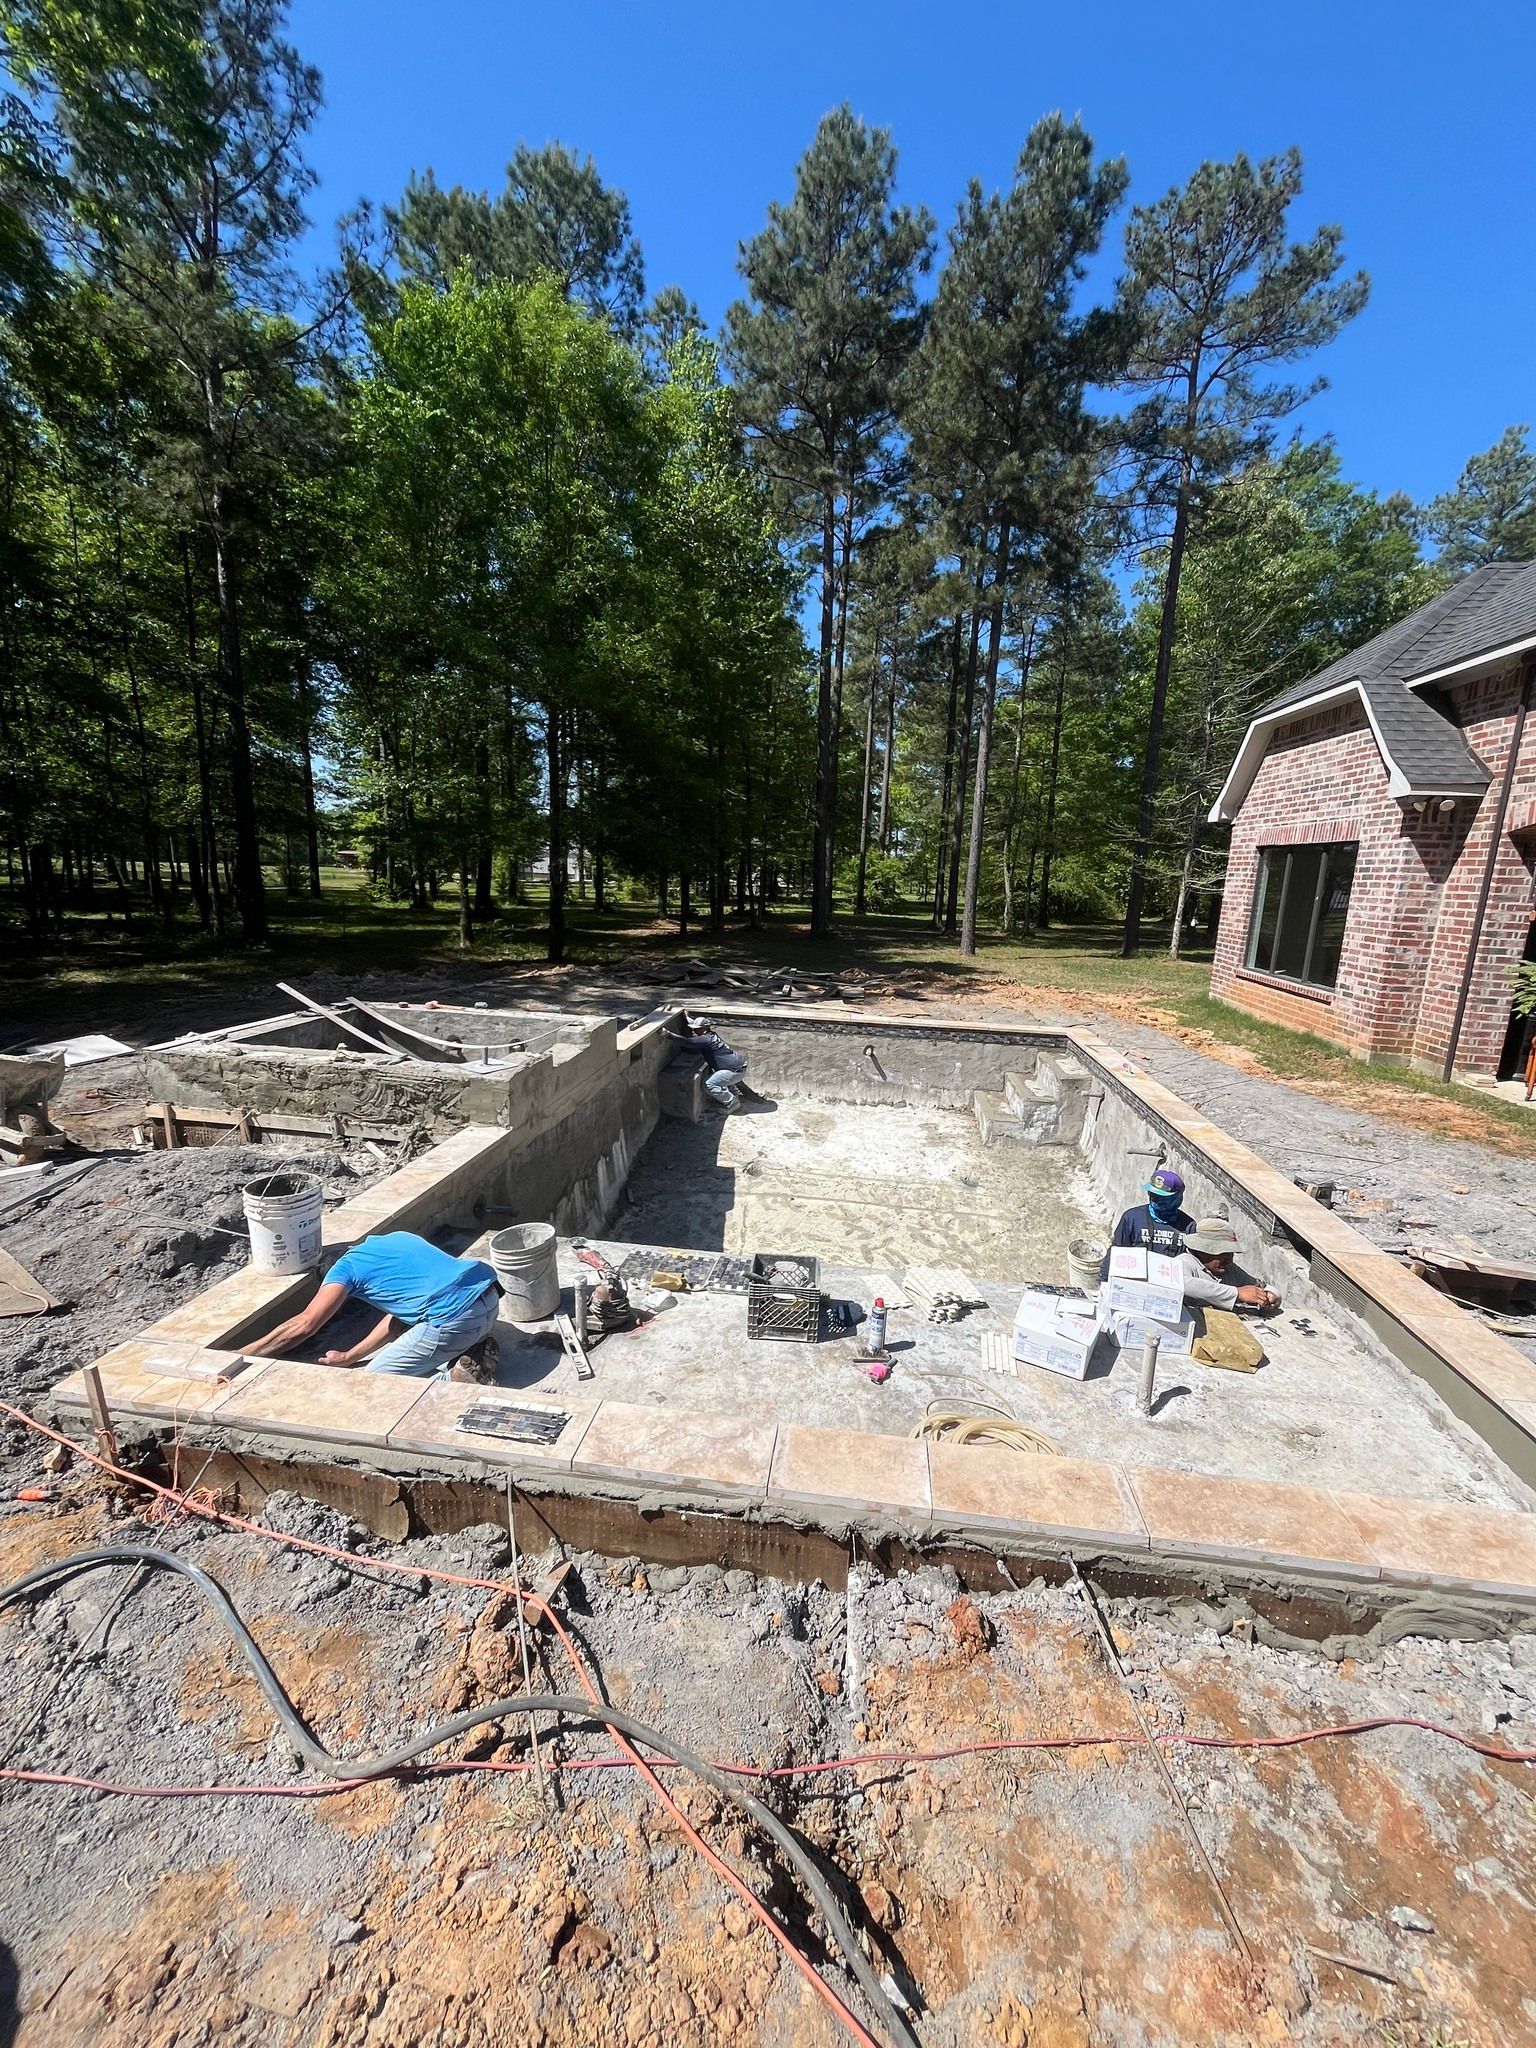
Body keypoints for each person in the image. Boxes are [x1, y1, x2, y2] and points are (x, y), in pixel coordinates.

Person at [245, 1230, 501, 1379]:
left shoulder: (345, 1269)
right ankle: (472, 1351)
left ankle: (455, 1379)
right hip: (488, 1297)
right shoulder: (394, 1238)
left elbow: (306, 1324)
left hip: (455, 1318)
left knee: (374, 1378)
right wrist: (350, 1356)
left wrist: (242, 1355)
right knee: (429, 1325)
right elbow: (399, 1319)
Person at [1101, 1167, 1192, 1277]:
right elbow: (1115, 1253)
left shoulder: (1188, 1227)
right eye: (1152, 1194)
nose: (1155, 1199)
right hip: (1134, 1281)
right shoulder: (1131, 1218)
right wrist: (1104, 1282)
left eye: (1161, 1197)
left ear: (1178, 1198)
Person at [1180, 1218, 1280, 1312]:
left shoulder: (1230, 1269)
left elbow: (1260, 1285)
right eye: (1222, 1253)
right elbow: (1185, 1284)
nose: (1228, 1259)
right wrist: (1236, 1293)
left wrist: (1268, 1295)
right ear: (1201, 1251)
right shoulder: (1183, 1263)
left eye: (1230, 1253)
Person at [668, 1013, 748, 1111]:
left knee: (709, 1084)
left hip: (734, 1071)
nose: (694, 1031)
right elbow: (694, 1023)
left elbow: (687, 1042)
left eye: (697, 1029)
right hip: (738, 1067)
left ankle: (733, 1103)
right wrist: (686, 1016)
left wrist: (668, 1035)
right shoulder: (711, 1035)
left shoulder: (705, 1040)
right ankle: (733, 1094)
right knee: (718, 1077)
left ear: (704, 1029)